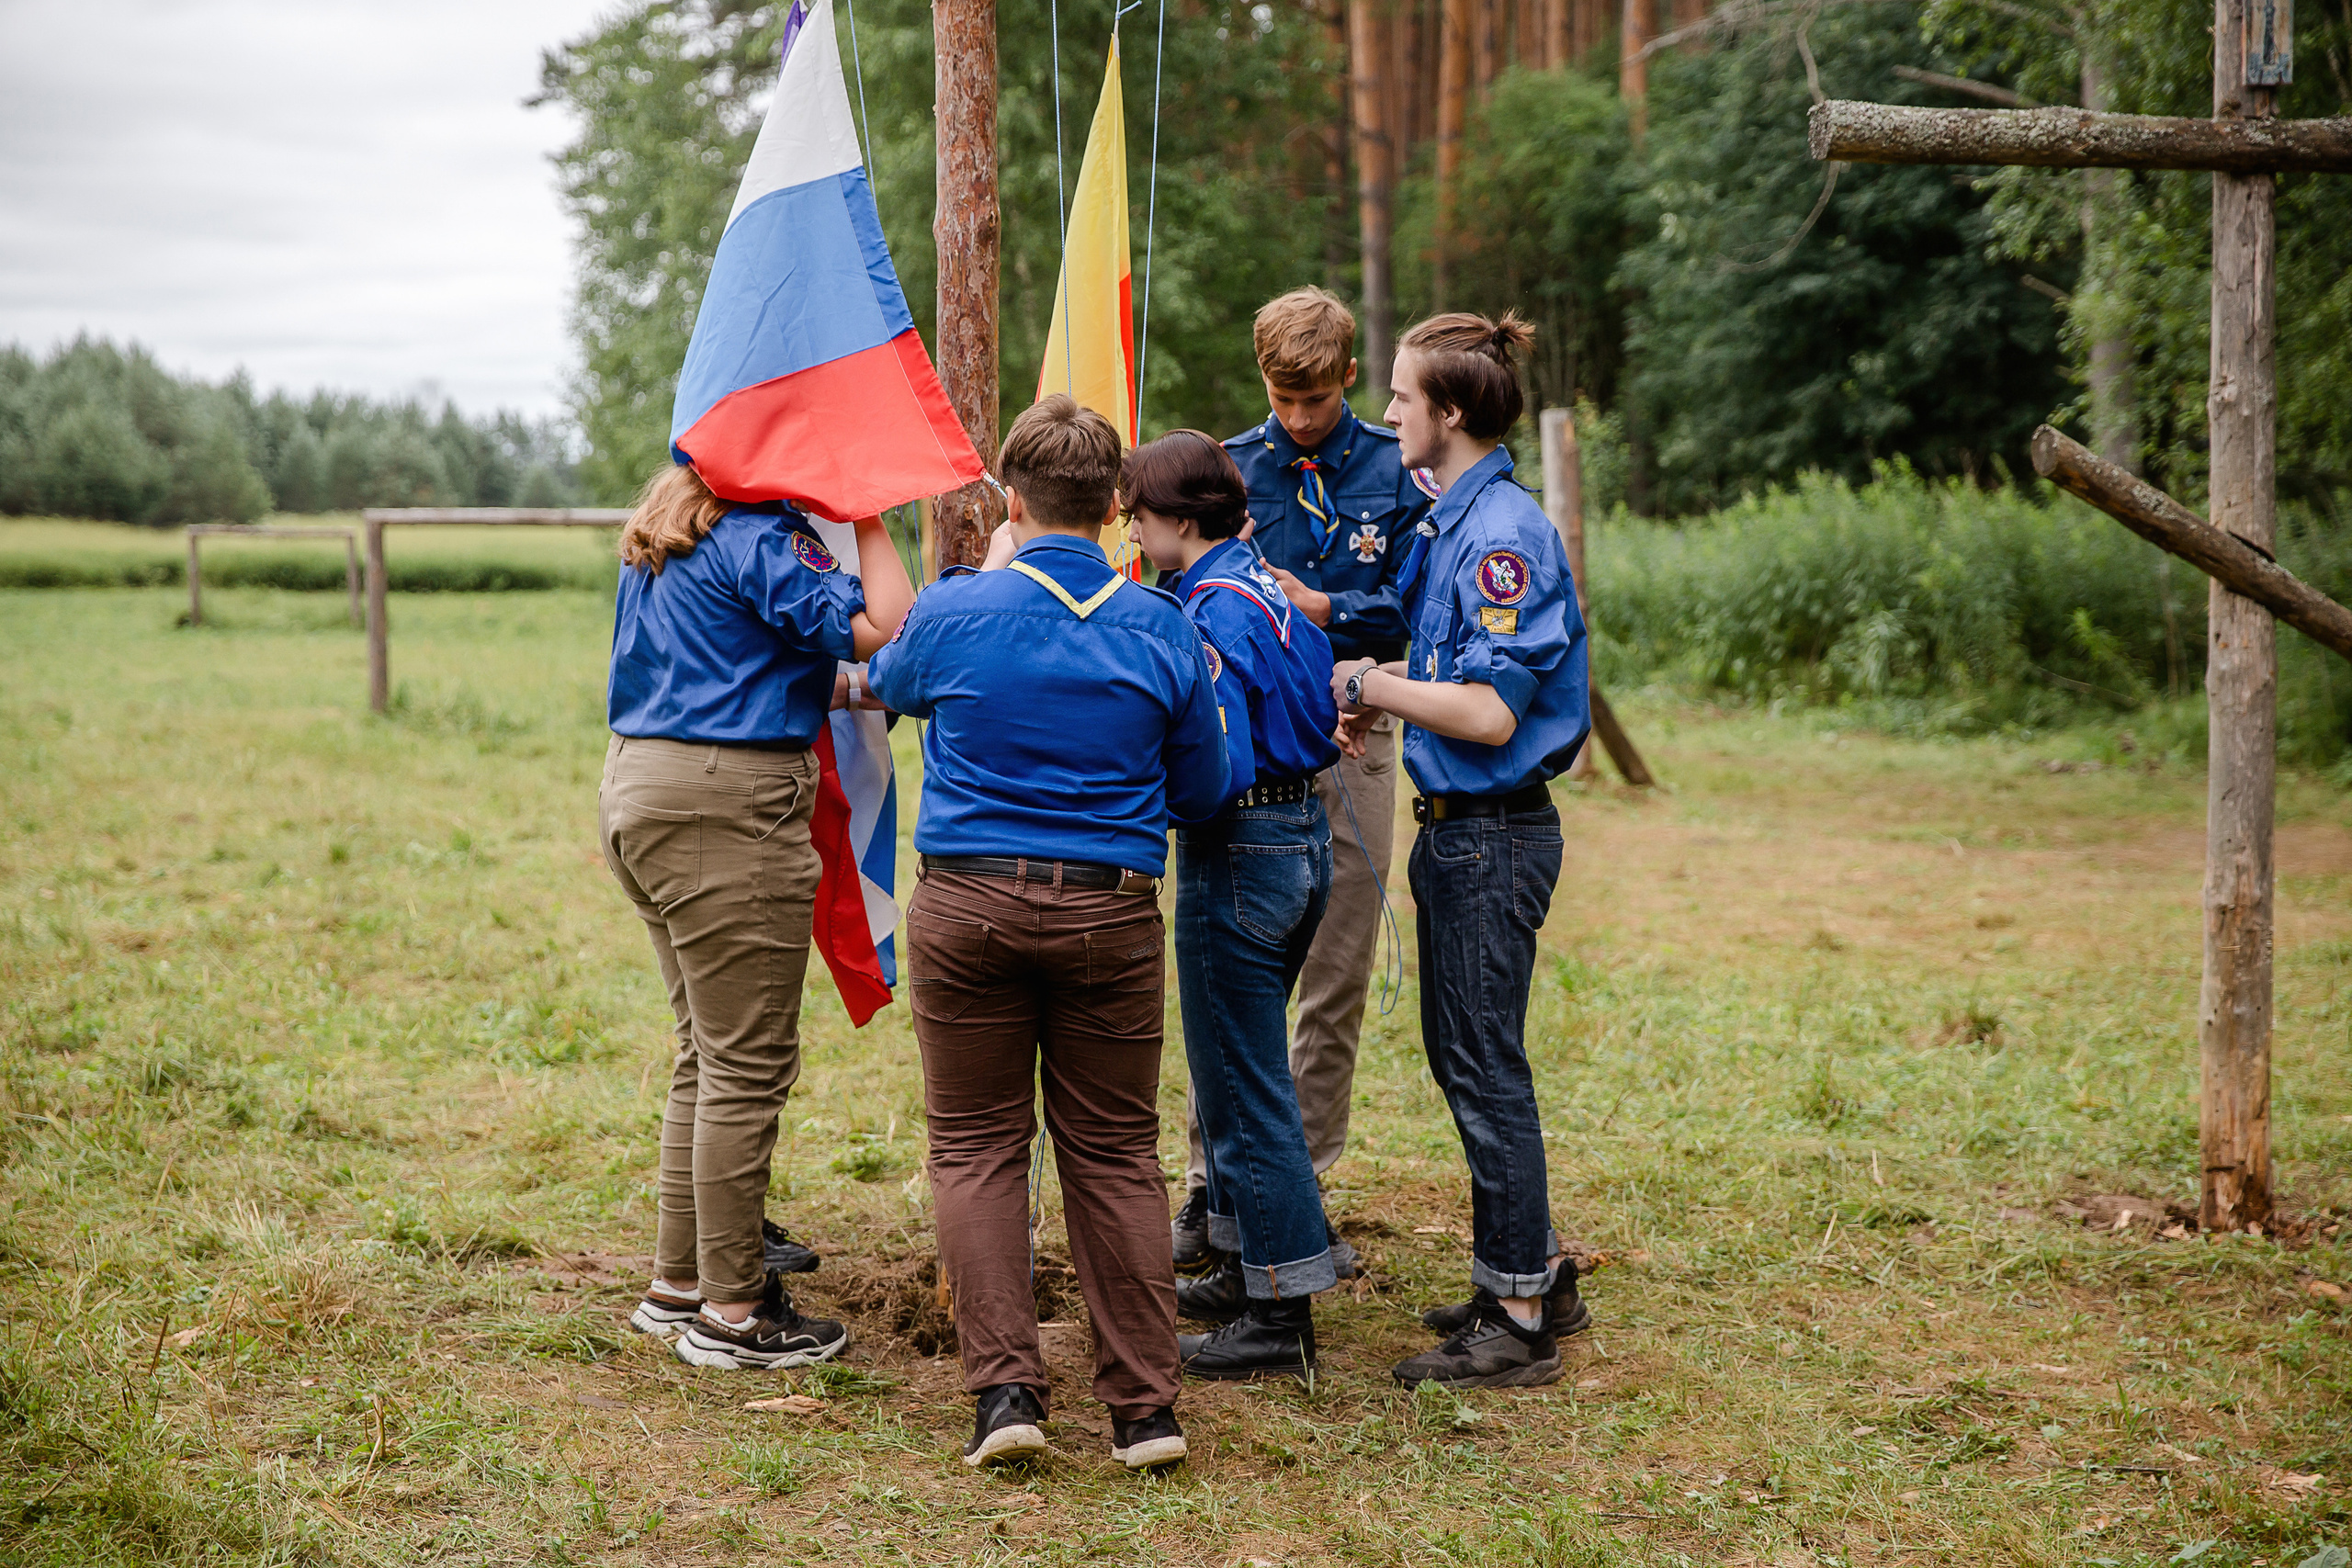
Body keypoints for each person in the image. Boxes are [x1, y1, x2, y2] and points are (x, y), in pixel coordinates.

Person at [867, 396, 1229, 1471]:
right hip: (1109, 910)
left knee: (976, 1146)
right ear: (1118, 504)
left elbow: (888, 684)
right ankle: (1143, 1410)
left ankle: (1007, 1396)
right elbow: (1205, 788)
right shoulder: (1162, 627)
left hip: (967, 902)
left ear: (1010, 501)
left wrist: (980, 573)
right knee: (1117, 1153)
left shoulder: (956, 608)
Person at [1329, 311, 1593, 1389]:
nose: (1386, 412)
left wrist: (1367, 687)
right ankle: (1527, 1272)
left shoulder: (1499, 537)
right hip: (1464, 836)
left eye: (1400, 396)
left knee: (1483, 1065)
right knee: (1467, 1057)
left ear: (1449, 412)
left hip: (1491, 834)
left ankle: (1520, 1318)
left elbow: (1487, 715)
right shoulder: (1455, 518)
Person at [601, 462, 913, 1370]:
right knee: (745, 1063)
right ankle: (734, 1316)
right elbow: (885, 632)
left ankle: (680, 1283)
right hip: (724, 802)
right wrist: (871, 509)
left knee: (704, 1048)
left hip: (640, 784)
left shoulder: (671, 523)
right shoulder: (766, 537)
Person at [1171, 288, 1432, 1275]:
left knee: (1333, 971)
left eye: (1315, 400)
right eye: (1282, 398)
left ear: (1350, 380)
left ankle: (1302, 1183)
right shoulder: (1229, 471)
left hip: (1358, 735)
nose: (1297, 418)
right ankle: (1214, 1183)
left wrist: (1328, 609)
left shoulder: (1393, 467)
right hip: (1251, 754)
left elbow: (1419, 598)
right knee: (1226, 977)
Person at [1120, 432, 1343, 1382]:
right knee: (1234, 1077)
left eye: (1135, 515)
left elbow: (1217, 757)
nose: (1129, 529)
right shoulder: (1265, 585)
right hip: (1304, 837)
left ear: (1175, 521)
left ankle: (1276, 1312)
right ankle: (1243, 1255)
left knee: (1246, 1090)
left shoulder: (1203, 612)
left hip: (1238, 847)